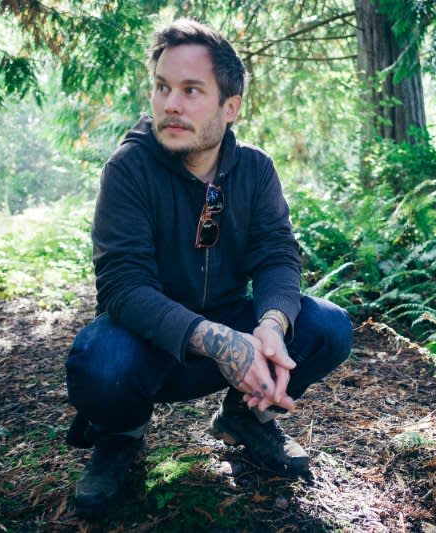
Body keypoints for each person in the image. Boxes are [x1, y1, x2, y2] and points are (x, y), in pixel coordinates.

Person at [64, 18, 353, 517]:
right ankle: (120, 437)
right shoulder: (128, 169)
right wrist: (217, 340)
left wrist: (271, 326)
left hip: (234, 322)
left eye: (191, 90)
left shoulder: (255, 169)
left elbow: (277, 255)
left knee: (328, 326)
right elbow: (123, 286)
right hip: (149, 342)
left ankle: (245, 418)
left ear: (230, 107)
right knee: (99, 358)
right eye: (162, 87)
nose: (170, 104)